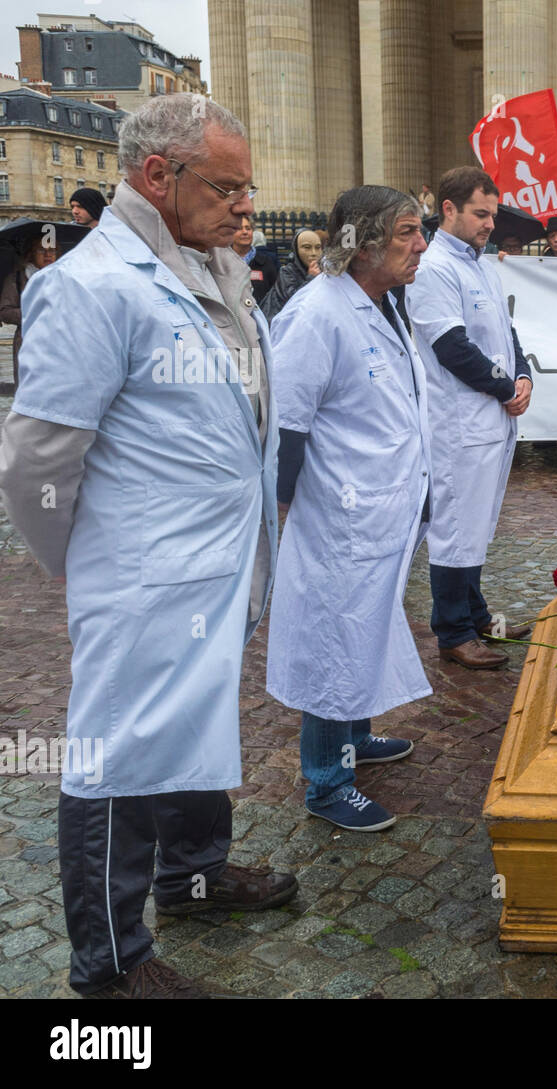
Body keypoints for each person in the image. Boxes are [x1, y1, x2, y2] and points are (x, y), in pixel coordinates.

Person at [0, 93, 291, 999]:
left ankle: (193, 873)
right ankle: (110, 963)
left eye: (249, 188)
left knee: (194, 717)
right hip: (145, 570)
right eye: (229, 186)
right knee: (116, 750)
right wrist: (81, 562)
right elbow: (40, 457)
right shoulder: (91, 286)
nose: (247, 205)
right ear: (158, 175)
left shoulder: (218, 269)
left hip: (217, 561)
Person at [268, 186, 431, 831]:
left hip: (385, 505)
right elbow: (287, 424)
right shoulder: (318, 315)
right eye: (407, 233)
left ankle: (356, 736)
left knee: (368, 622)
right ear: (362, 245)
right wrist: (280, 509)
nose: (421, 244)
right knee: (335, 636)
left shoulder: (384, 303)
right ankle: (327, 779)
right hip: (342, 515)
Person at [407, 166, 535, 669]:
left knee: (478, 521)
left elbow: (506, 332)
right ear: (449, 210)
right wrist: (506, 388)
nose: (489, 224)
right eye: (481, 214)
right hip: (459, 422)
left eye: (493, 214)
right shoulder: (435, 267)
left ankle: (477, 614)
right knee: (456, 524)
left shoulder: (482, 264)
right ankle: (453, 632)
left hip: (492, 418)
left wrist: (523, 374)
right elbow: (451, 347)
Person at [0, 238, 60, 389]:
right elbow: (5, 311)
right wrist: (34, 312)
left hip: (59, 341)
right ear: (31, 254)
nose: (47, 255)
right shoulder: (17, 279)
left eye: (52, 250)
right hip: (28, 342)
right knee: (29, 391)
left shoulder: (64, 278)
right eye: (42, 250)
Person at [260, 226, 322, 322]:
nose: (313, 253)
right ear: (296, 250)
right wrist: (311, 278)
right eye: (307, 247)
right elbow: (293, 301)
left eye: (318, 248)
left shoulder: (323, 273)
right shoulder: (287, 272)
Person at [231, 213, 280, 303]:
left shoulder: (266, 262)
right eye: (239, 228)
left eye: (248, 228)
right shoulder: (222, 262)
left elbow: (275, 295)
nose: (245, 232)